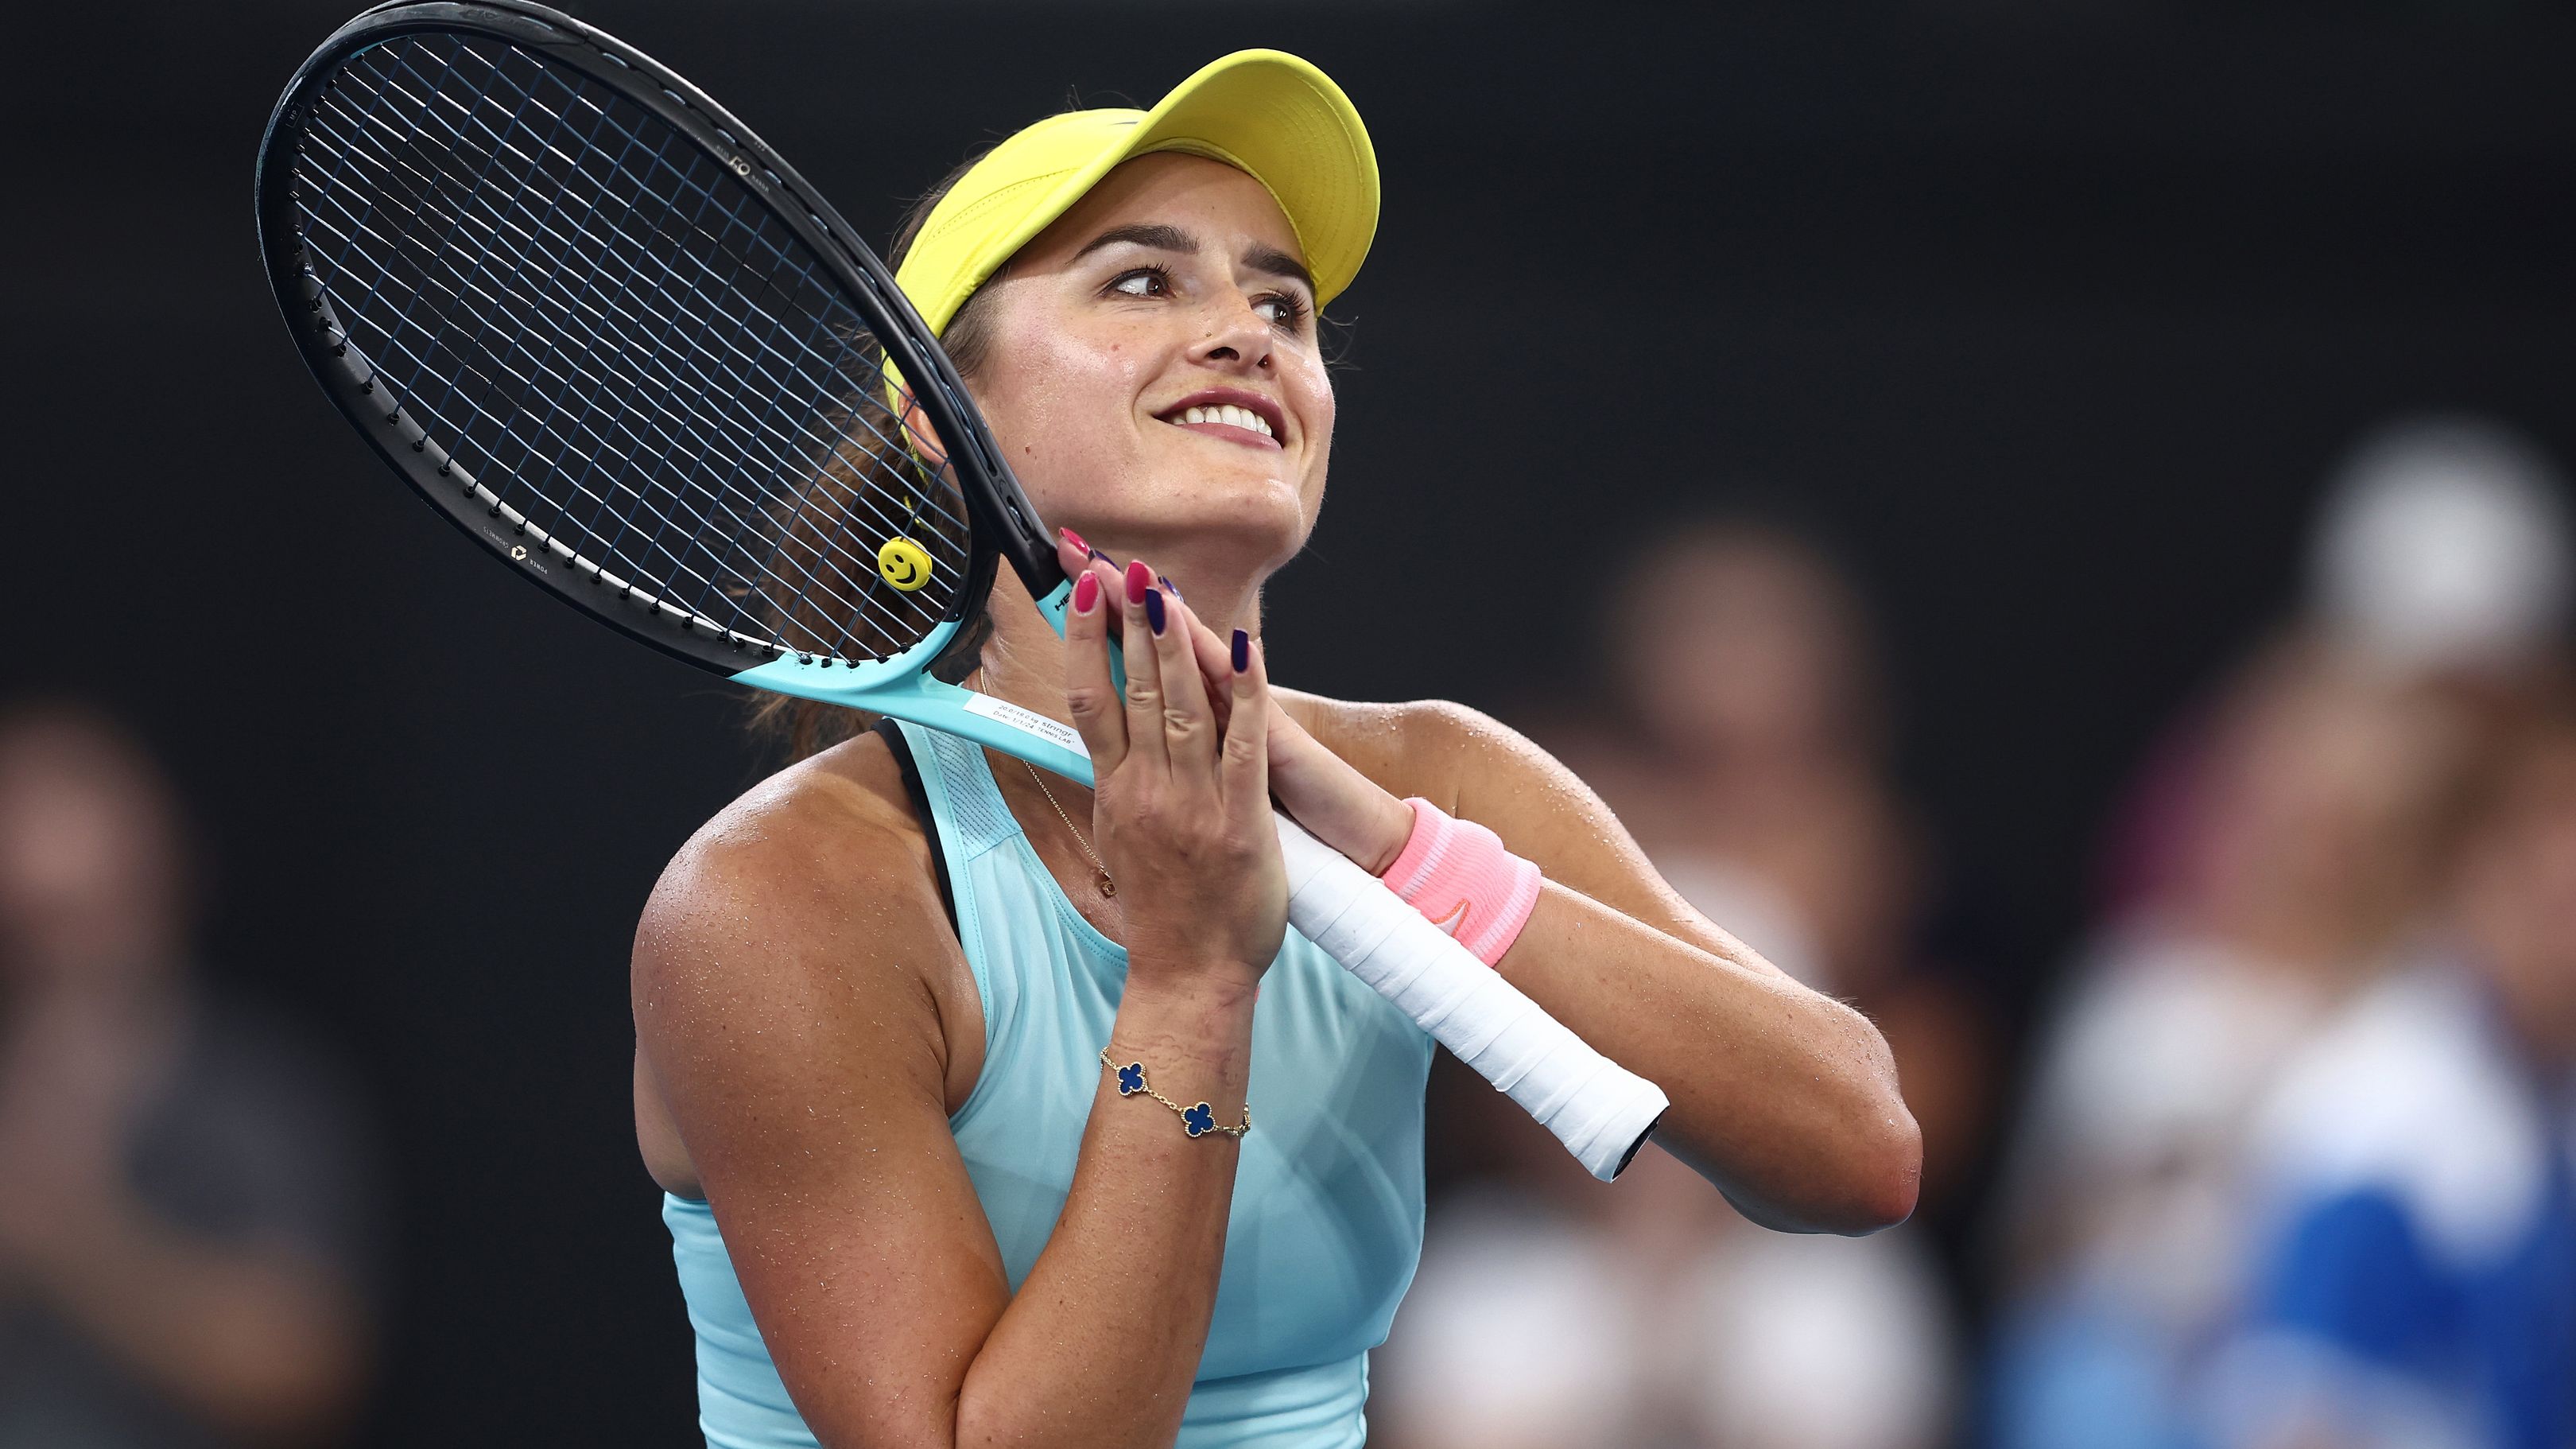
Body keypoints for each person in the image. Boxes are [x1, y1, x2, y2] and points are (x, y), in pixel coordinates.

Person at [628, 51, 1919, 1449]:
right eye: (1143, 280)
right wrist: (1191, 977)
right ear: (941, 417)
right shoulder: (782, 904)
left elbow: (1856, 1148)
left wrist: (1396, 849)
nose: (1248, 332)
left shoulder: (1437, 778)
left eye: (1281, 303)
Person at [0, 703, 378, 1447]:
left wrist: (68, 1233)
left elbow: (301, 1365)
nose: (66, 959)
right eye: (32, 925)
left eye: (89, 912)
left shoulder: (257, 1095)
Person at [2200, 706, 2576, 1449]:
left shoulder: (2542, 1093)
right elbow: (2299, 1419)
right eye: (2554, 909)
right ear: (2476, 879)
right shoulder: (2369, 1122)